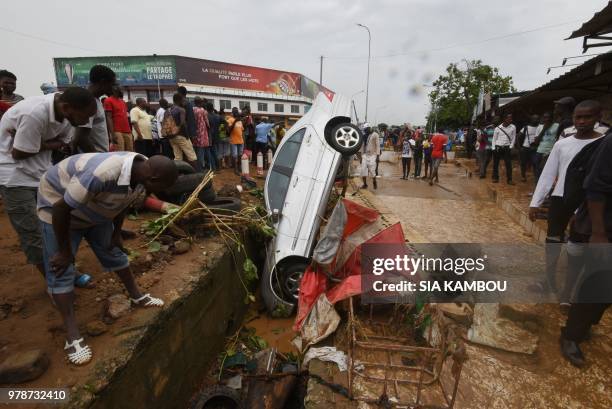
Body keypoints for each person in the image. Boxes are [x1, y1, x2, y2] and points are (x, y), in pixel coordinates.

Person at [37, 152, 177, 365]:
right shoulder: (102, 174)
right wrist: (65, 252)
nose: (161, 193)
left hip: (95, 208)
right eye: (162, 187)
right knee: (61, 269)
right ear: (154, 179)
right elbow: (61, 209)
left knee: (113, 252)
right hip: (59, 210)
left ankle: (136, 296)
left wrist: (116, 233)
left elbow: (122, 202)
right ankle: (73, 336)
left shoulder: (141, 174)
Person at [0, 87, 97, 280]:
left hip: (42, 173)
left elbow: (63, 144)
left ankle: (64, 268)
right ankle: (56, 280)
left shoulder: (68, 116)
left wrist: (41, 143)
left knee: (54, 224)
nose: (85, 122)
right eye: (84, 117)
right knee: (32, 231)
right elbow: (18, 153)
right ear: (67, 107)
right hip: (13, 176)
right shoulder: (34, 113)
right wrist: (49, 144)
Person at [529, 101, 605, 298]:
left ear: (598, 117)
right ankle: (549, 280)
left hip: (588, 203)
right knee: (553, 240)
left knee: (577, 246)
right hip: (560, 198)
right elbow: (548, 173)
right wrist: (535, 203)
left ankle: (568, 291)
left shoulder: (604, 144)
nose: (581, 121)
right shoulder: (562, 143)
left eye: (587, 117)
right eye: (577, 117)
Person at [559, 129, 612, 368]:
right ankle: (571, 335)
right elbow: (595, 188)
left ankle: (588, 323)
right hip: (605, 228)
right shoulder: (608, 144)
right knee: (597, 282)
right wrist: (599, 233)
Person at [71, 65, 117, 154]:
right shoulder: (87, 101)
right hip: (93, 159)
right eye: (112, 84)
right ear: (103, 82)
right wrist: (97, 159)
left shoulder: (96, 100)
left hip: (98, 157)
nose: (114, 88)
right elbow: (81, 138)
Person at [168, 93, 198, 169]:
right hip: (181, 135)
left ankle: (178, 175)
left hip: (171, 137)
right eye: (183, 100)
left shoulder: (170, 109)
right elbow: (183, 123)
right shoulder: (181, 110)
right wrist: (187, 135)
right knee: (192, 156)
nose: (184, 102)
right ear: (180, 100)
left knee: (178, 158)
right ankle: (197, 175)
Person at [104, 87, 132, 151]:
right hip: (117, 130)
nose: (120, 89)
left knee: (130, 152)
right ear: (113, 90)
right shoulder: (108, 100)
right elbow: (109, 117)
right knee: (120, 152)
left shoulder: (122, 101)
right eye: (117, 88)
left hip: (127, 130)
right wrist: (112, 134)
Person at [533, 112, 559, 182]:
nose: (546, 119)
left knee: (548, 172)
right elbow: (536, 142)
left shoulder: (557, 126)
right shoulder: (540, 127)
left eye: (547, 117)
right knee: (537, 171)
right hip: (539, 151)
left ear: (552, 118)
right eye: (544, 117)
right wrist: (544, 129)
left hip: (550, 152)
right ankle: (536, 189)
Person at [492, 113, 516, 184]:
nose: (511, 120)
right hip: (498, 147)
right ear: (505, 119)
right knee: (496, 163)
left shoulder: (513, 127)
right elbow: (494, 139)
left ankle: (509, 180)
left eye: (511, 118)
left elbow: (514, 137)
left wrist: (511, 146)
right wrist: (493, 148)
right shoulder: (497, 128)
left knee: (508, 164)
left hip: (507, 148)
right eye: (509, 118)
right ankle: (496, 178)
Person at [518, 114, 542, 182]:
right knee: (523, 163)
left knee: (535, 163)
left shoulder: (540, 127)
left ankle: (536, 177)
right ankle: (523, 176)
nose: (536, 120)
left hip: (535, 148)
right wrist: (520, 148)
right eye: (534, 119)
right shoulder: (526, 127)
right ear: (531, 119)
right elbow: (518, 137)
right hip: (526, 148)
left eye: (537, 119)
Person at [192, 97, 212, 171]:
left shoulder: (192, 110)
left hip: (195, 133)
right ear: (200, 103)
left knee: (195, 152)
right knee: (201, 153)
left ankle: (197, 168)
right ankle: (201, 168)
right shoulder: (203, 111)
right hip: (202, 134)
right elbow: (207, 124)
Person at [360, 123, 380, 189]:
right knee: (363, 170)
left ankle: (374, 181)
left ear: (369, 128)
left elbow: (378, 146)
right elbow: (363, 146)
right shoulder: (364, 136)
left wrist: (377, 156)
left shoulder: (375, 135)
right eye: (364, 130)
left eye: (366, 129)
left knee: (372, 170)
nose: (365, 131)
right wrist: (361, 156)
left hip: (372, 155)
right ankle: (365, 184)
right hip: (365, 155)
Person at [227, 107, 244, 175]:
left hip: (241, 141)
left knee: (240, 155)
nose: (237, 113)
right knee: (234, 156)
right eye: (235, 112)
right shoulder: (230, 120)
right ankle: (235, 169)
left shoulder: (240, 121)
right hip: (233, 141)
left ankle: (239, 167)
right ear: (233, 112)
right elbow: (229, 130)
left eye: (237, 112)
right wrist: (235, 121)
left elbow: (242, 130)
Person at [205, 102, 220, 170]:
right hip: (216, 136)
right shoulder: (217, 116)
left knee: (210, 152)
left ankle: (213, 167)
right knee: (215, 152)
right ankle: (218, 167)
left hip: (209, 136)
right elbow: (224, 122)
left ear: (207, 108)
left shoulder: (207, 116)